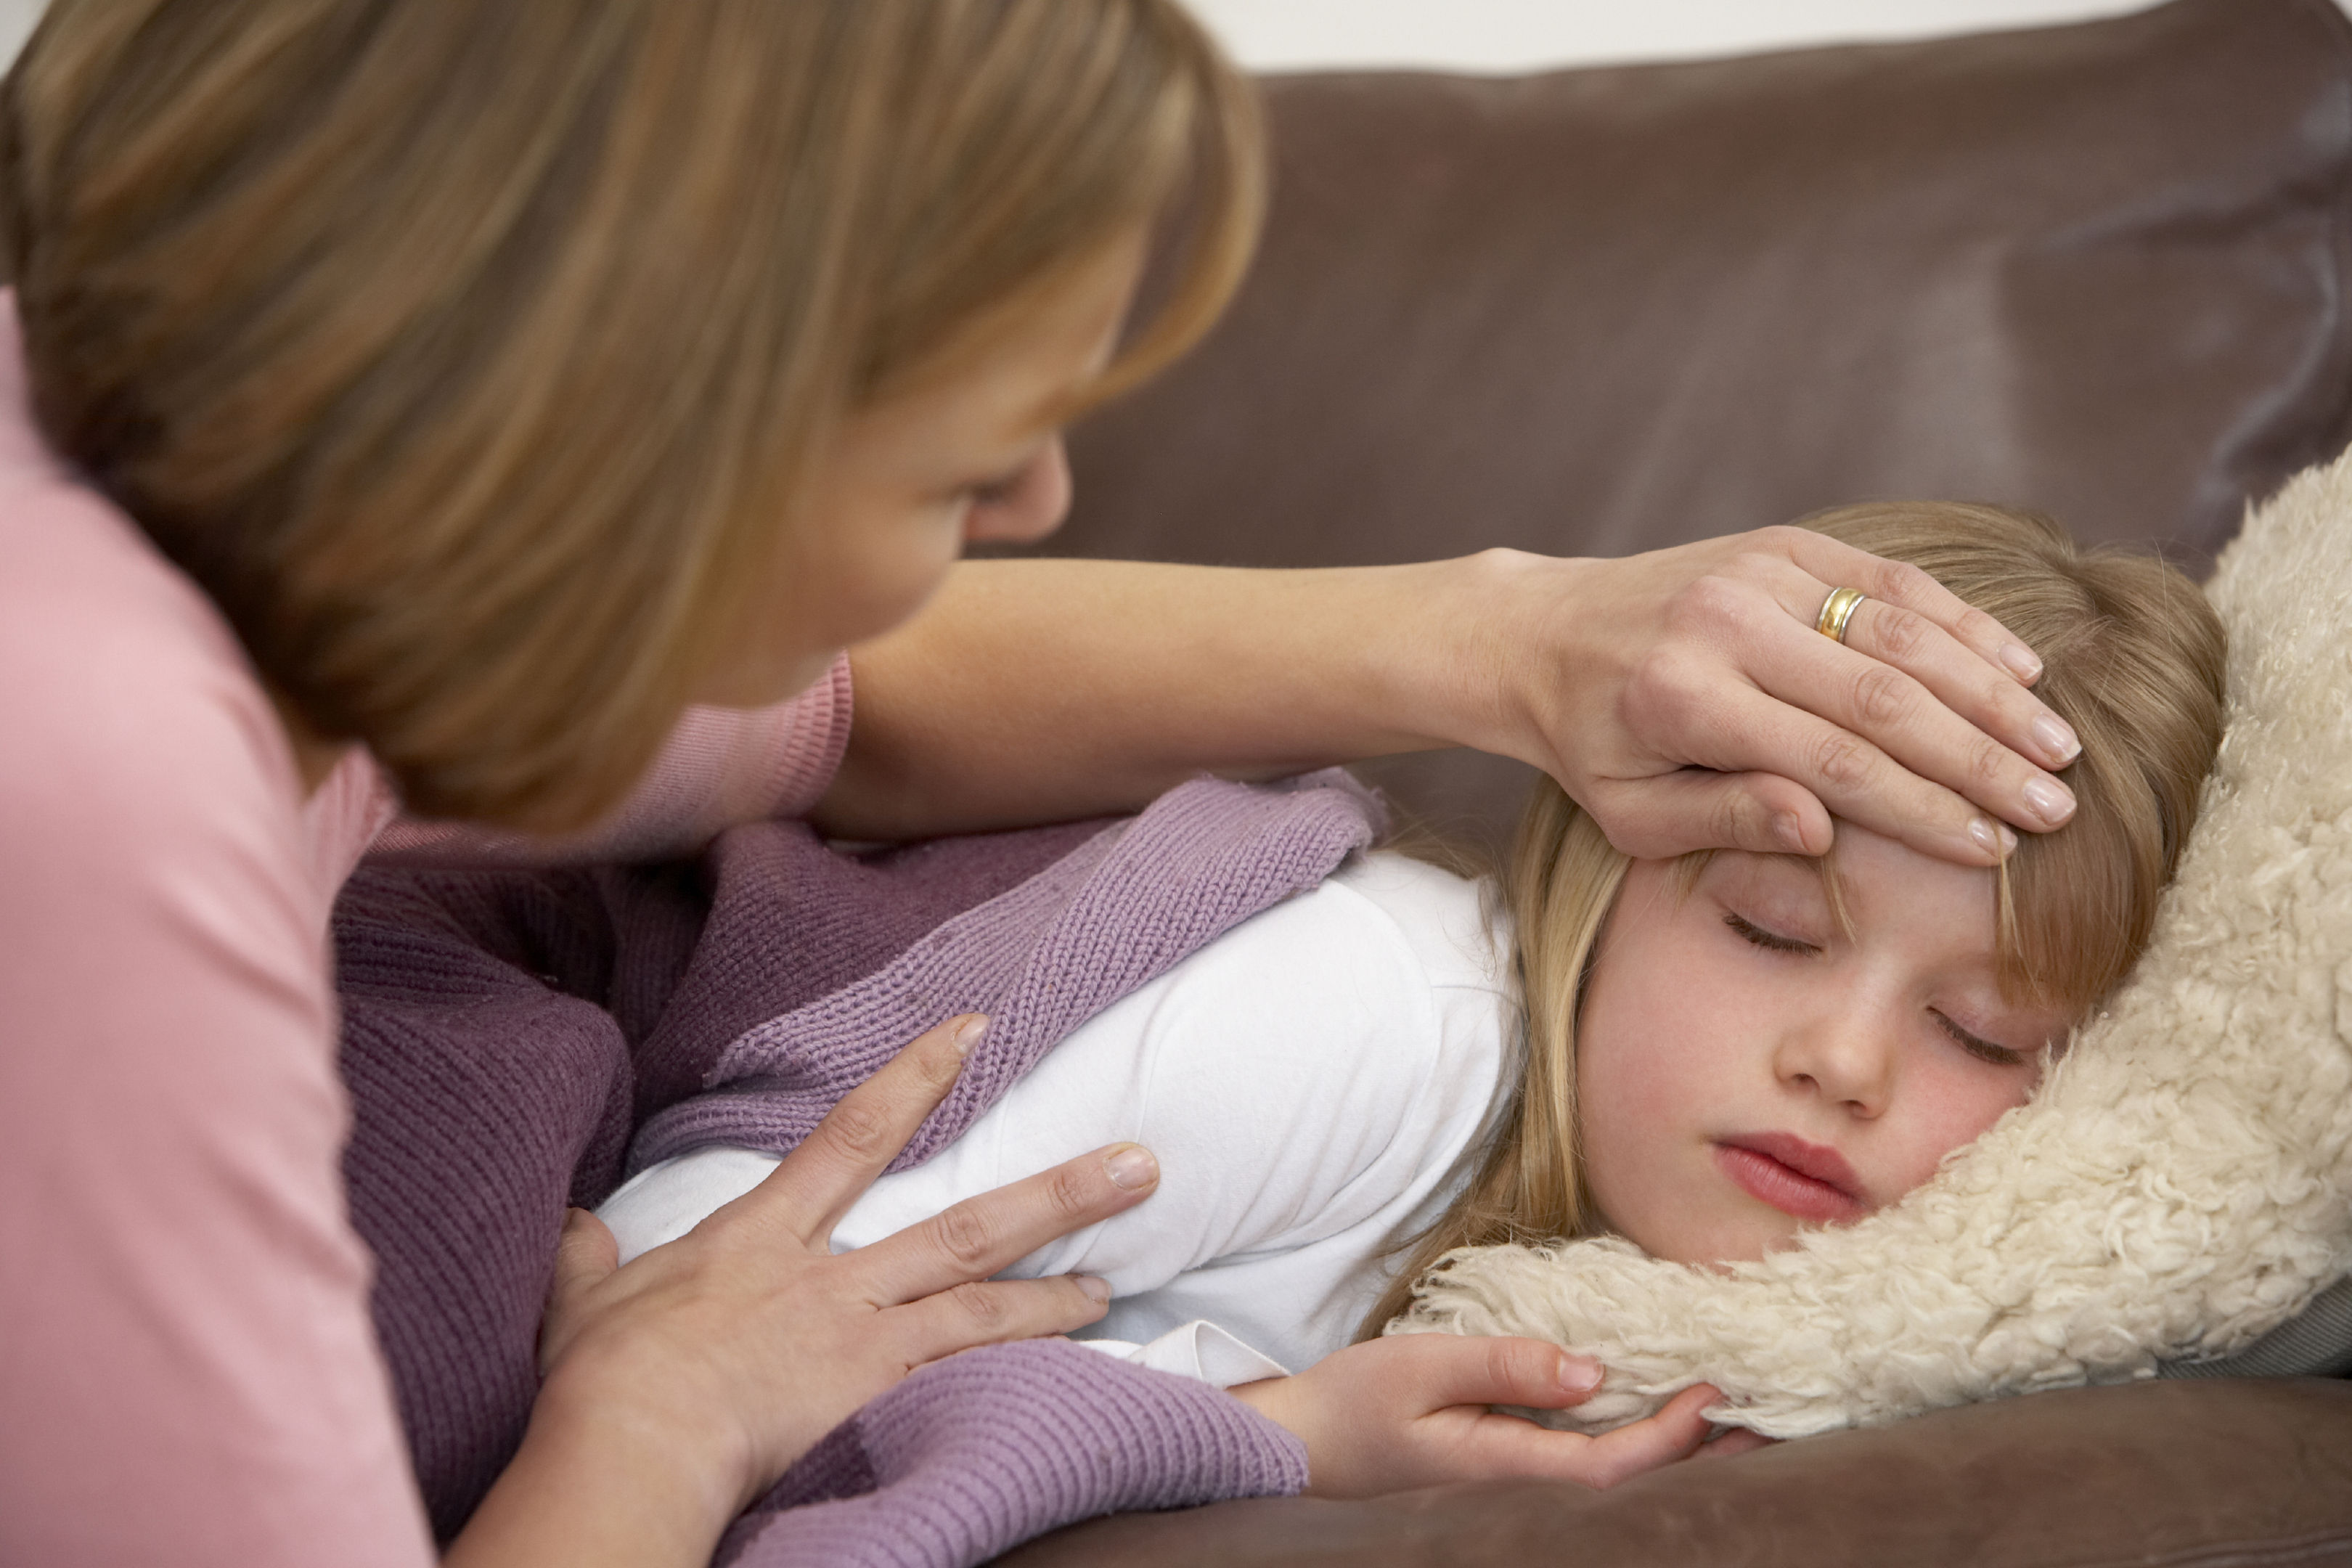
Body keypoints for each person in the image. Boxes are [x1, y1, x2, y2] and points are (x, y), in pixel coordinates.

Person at [0, 4, 2092, 1564]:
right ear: (622, 392)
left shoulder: (245, 565)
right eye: (954, 456)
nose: (1040, 503)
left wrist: (1516, 646)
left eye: (1993, 1032)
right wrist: (652, 1421)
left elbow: (848, 716)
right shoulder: (96, 773)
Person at [600, 500, 2227, 1498]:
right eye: (1773, 929)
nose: (1845, 1061)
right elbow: (682, 1293)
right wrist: (1265, 1433)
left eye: (1984, 1035)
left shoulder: (1671, 1293)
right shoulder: (1384, 1015)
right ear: (1609, 859)